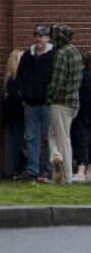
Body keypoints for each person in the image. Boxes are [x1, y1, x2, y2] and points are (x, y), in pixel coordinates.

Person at [47, 24, 83, 184]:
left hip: (60, 102)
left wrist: (49, 95)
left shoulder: (61, 54)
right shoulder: (75, 51)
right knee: (54, 134)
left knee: (61, 138)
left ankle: (67, 176)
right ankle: (57, 157)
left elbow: (58, 81)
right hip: (73, 101)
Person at [17, 25, 54, 180]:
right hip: (30, 103)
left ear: (48, 38)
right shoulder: (27, 55)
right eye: (37, 36)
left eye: (43, 36)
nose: (39, 39)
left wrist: (50, 96)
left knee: (47, 137)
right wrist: (24, 95)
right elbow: (20, 77)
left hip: (46, 103)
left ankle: (47, 169)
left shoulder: (53, 55)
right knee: (31, 137)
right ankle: (33, 168)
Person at [2, 44, 27, 179]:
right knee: (18, 143)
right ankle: (18, 168)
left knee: (17, 143)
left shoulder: (9, 79)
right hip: (17, 117)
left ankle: (17, 168)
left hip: (15, 117)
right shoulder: (14, 80)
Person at [71, 50, 91, 182]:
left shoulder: (81, 75)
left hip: (82, 112)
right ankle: (89, 171)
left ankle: (81, 169)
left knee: (81, 141)